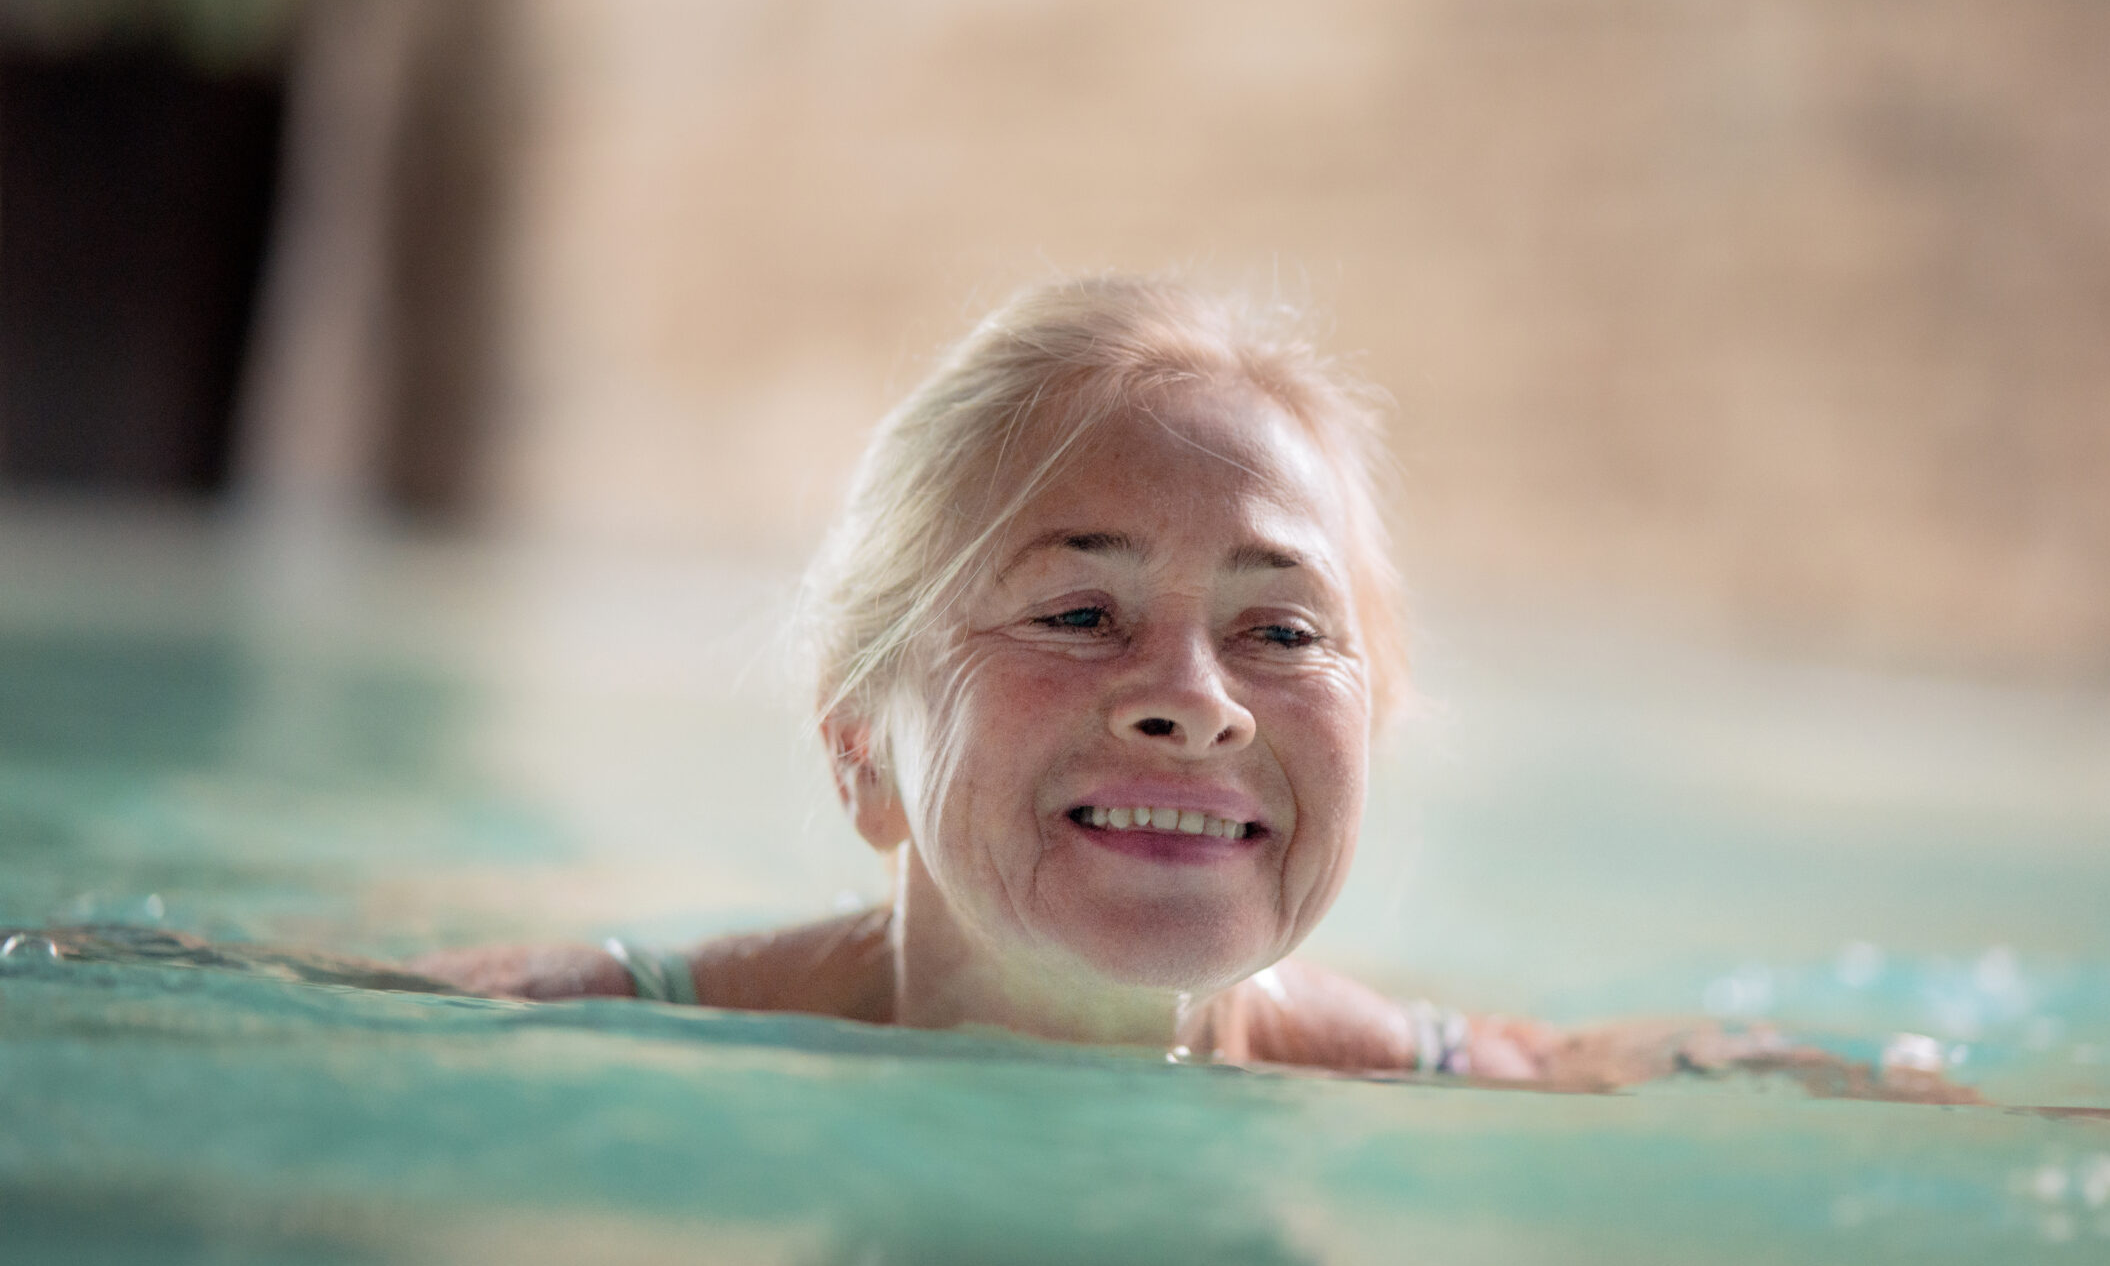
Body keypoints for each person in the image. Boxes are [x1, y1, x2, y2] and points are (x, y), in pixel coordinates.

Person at [413, 276, 1974, 1101]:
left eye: (1284, 634)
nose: (1195, 700)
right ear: (860, 753)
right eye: (1082, 611)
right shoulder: (550, 1035)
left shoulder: (1503, 1092)